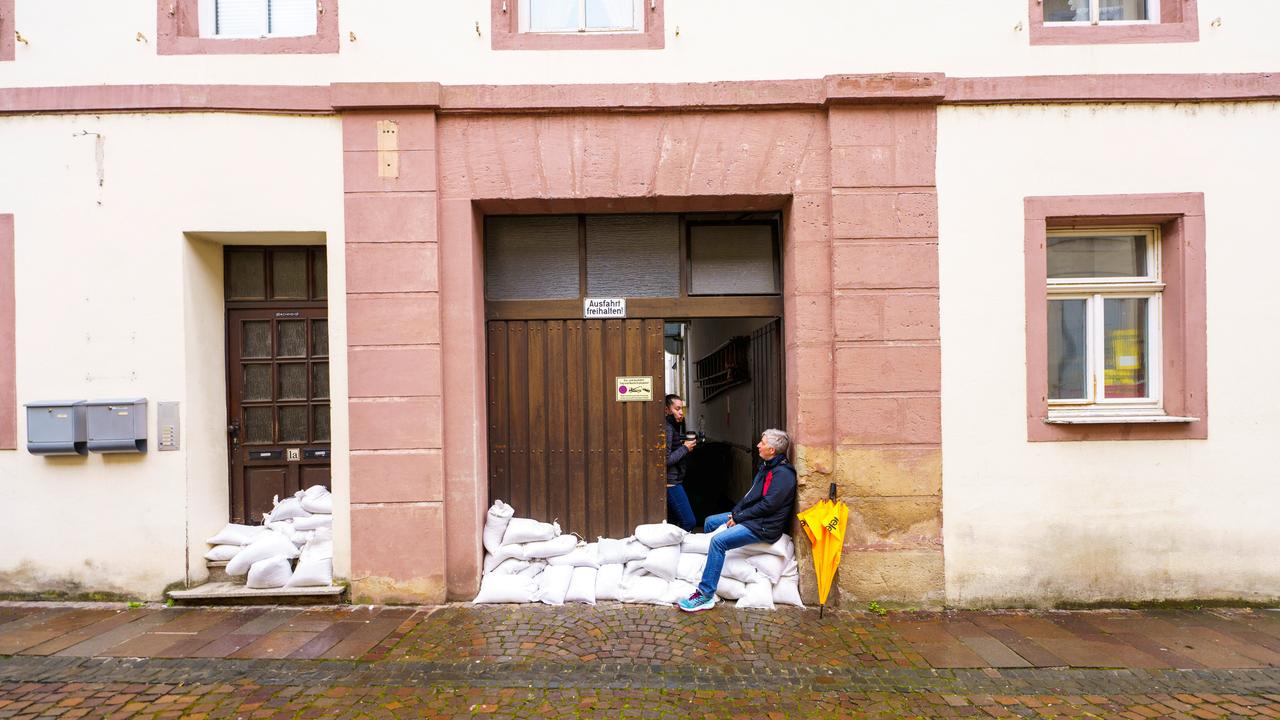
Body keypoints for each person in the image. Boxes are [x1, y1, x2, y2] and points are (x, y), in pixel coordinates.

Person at [678, 428, 796, 612]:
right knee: (710, 522)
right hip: (753, 519)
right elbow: (750, 496)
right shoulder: (766, 467)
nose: (758, 445)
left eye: (762, 442)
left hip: (764, 527)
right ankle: (709, 568)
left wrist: (740, 517)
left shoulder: (783, 474)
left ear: (772, 450)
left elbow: (769, 506)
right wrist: (735, 513)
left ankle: (705, 594)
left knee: (718, 542)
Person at [663, 394, 698, 531]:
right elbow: (665, 460)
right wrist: (685, 448)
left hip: (673, 481)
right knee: (689, 522)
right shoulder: (667, 428)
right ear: (667, 410)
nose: (681, 412)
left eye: (681, 408)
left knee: (672, 523)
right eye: (677, 409)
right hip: (671, 483)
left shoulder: (670, 427)